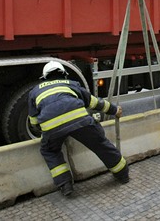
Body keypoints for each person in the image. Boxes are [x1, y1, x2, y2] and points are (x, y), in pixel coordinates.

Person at [28, 61, 129, 197]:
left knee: (50, 151)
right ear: (64, 74)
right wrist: (114, 110)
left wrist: (45, 131)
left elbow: (33, 119)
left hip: (51, 127)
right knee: (100, 143)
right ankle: (122, 175)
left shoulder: (35, 91)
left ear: (44, 77)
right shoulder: (70, 84)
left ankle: (65, 185)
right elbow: (94, 102)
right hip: (80, 122)